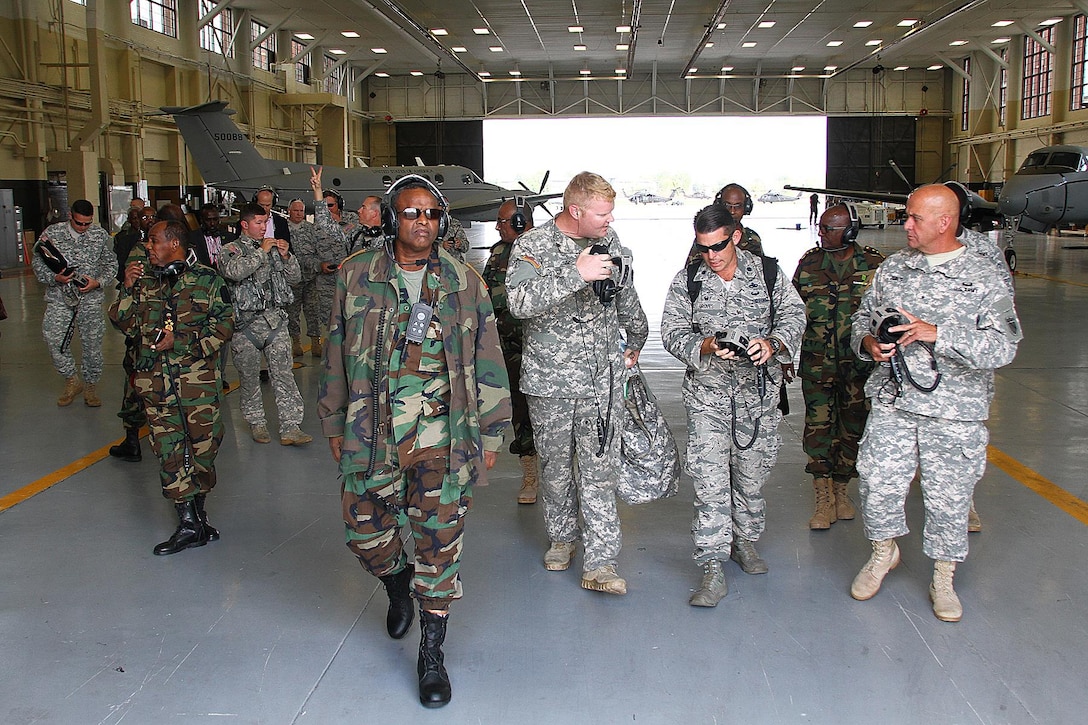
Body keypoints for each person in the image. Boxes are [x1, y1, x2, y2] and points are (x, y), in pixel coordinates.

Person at [317, 174, 510, 708]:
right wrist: (333, 422)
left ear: (441, 221)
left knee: (439, 544)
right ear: (392, 219)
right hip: (370, 430)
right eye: (410, 213)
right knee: (364, 532)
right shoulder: (356, 276)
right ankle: (396, 582)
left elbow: (488, 358)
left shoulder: (464, 281)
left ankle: (432, 654)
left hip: (442, 437)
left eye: (429, 213)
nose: (421, 222)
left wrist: (492, 432)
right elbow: (334, 350)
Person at [848, 184, 1022, 623]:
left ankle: (943, 576)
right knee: (877, 482)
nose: (905, 225)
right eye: (907, 216)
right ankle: (882, 553)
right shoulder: (893, 269)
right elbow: (861, 318)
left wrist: (938, 333)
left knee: (949, 497)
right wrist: (868, 342)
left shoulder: (983, 274)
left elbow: (1004, 347)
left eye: (914, 219)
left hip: (954, 409)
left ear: (944, 222)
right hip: (894, 400)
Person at [506, 171, 649, 596]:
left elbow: (624, 291)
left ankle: (601, 562)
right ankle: (563, 536)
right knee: (554, 469)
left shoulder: (611, 241)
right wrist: (576, 272)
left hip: (602, 379)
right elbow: (518, 302)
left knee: (599, 469)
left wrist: (637, 339)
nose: (609, 220)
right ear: (575, 210)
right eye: (602, 213)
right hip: (550, 380)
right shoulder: (532, 246)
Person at [661, 204, 804, 607]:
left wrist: (772, 344)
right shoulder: (689, 279)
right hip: (707, 397)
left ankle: (745, 540)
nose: (712, 255)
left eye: (719, 245)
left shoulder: (769, 274)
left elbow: (795, 315)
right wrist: (704, 345)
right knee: (709, 480)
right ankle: (711, 564)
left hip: (757, 398)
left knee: (750, 476)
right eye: (704, 248)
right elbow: (671, 331)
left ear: (736, 236)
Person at [108, 220, 234, 555]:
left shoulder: (208, 279)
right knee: (169, 453)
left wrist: (180, 342)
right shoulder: (144, 280)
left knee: (204, 454)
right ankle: (189, 523)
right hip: (156, 387)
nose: (147, 246)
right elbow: (124, 323)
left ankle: (199, 514)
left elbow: (224, 327)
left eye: (153, 241)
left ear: (174, 243)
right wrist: (126, 286)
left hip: (198, 388)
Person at [792, 205, 885, 529]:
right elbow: (791, 313)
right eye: (821, 227)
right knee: (818, 431)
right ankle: (822, 499)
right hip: (818, 366)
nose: (821, 233)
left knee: (852, 430)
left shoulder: (874, 266)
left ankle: (842, 492)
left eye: (829, 228)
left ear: (849, 230)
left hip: (859, 368)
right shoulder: (810, 264)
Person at [218, 203, 313, 446]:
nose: (263, 228)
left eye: (266, 222)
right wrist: (261, 251)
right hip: (245, 325)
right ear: (245, 225)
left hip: (275, 321)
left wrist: (286, 256)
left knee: (284, 375)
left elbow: (295, 279)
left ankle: (291, 426)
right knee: (249, 378)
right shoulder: (230, 249)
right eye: (259, 223)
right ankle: (256, 422)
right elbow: (235, 272)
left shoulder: (272, 248)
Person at [31, 199, 118, 407]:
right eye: (79, 223)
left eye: (87, 223)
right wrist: (54, 278)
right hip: (60, 298)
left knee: (92, 346)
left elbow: (111, 264)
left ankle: (90, 385)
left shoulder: (100, 236)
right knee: (53, 339)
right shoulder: (52, 233)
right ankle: (71, 379)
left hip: (90, 300)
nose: (83, 228)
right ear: (70, 216)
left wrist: (98, 282)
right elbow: (37, 261)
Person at [483, 199, 538, 503]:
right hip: (508, 348)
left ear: (519, 222)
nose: (497, 226)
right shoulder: (498, 254)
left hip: (541, 350)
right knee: (520, 412)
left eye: (502, 221)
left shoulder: (544, 252)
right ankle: (529, 472)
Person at [108, 205, 159, 462]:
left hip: (147, 332)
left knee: (137, 388)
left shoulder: (141, 249)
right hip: (142, 333)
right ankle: (132, 440)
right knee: (136, 386)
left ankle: (133, 439)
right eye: (144, 217)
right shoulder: (138, 247)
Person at [308, 172, 357, 358]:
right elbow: (306, 256)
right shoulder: (318, 228)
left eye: (331, 205)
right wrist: (319, 265)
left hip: (350, 283)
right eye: (324, 206)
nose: (327, 210)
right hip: (327, 284)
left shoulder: (353, 224)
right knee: (331, 325)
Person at [284, 199, 322, 357]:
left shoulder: (310, 229)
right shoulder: (283, 228)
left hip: (310, 277)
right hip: (292, 279)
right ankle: (296, 342)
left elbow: (318, 250)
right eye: (296, 210)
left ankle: (315, 341)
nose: (299, 214)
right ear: (289, 211)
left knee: (313, 310)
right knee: (292, 312)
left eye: (301, 211)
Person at [715, 183, 764, 255]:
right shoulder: (707, 237)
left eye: (738, 206)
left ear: (746, 208)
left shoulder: (753, 239)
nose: (732, 211)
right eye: (727, 205)